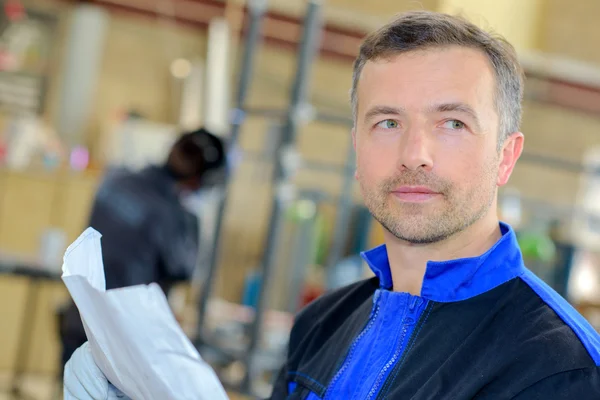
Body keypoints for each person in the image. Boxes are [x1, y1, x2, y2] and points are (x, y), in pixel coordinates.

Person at [64, 10, 600, 400]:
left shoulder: (559, 369)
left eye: (452, 123)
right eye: (387, 122)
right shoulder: (321, 324)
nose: (416, 154)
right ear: (357, 150)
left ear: (506, 156)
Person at [59, 127, 227, 374]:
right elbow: (184, 269)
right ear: (198, 180)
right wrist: (192, 219)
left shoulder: (115, 179)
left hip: (79, 320)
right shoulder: (172, 214)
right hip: (122, 339)